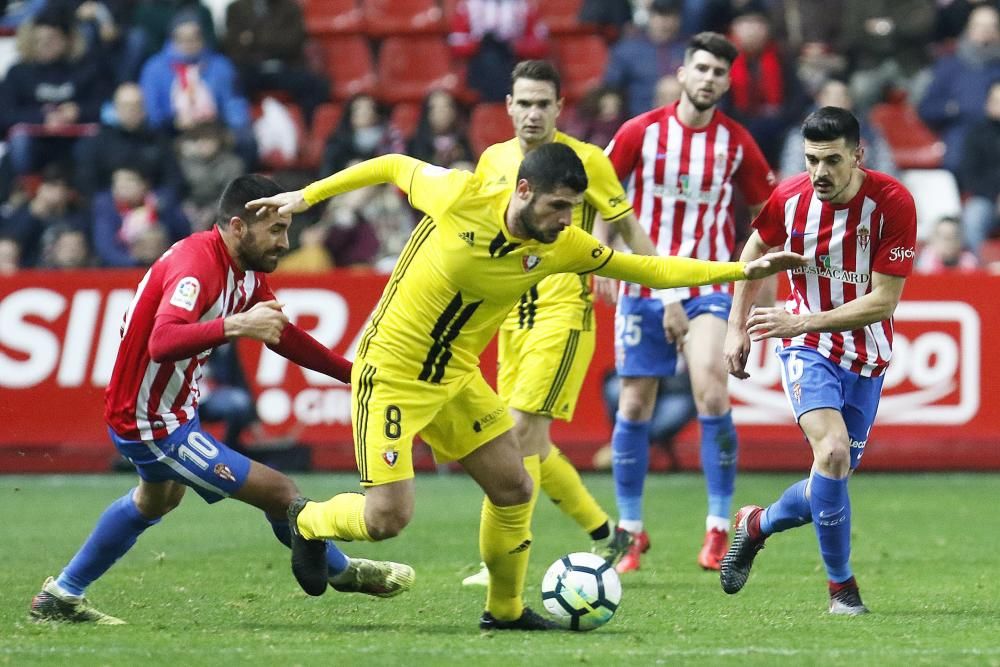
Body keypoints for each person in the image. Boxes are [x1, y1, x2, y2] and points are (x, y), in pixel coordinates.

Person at [246, 143, 803, 631]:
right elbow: (393, 164)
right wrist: (307, 196)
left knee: (514, 489)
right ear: (524, 190)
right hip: (390, 372)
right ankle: (309, 522)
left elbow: (647, 269)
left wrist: (738, 273)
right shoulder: (462, 195)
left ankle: (505, 610)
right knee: (386, 519)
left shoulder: (562, 245)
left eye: (573, 209)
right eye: (558, 206)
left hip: (458, 377)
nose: (566, 219)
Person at [29, 174, 414, 625]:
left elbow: (280, 333)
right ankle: (345, 574)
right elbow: (162, 341)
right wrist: (236, 325)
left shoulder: (244, 268)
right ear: (237, 226)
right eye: (276, 230)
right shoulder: (198, 266)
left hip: (172, 411)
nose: (285, 242)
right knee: (281, 494)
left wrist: (354, 376)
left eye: (286, 230)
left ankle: (62, 594)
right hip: (151, 422)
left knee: (154, 502)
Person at [459, 60, 657, 589]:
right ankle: (611, 535)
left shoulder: (586, 161)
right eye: (523, 103)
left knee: (518, 435)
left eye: (542, 103)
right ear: (508, 106)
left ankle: (503, 561)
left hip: (563, 312)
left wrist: (665, 295)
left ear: (559, 107)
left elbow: (627, 226)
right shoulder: (493, 161)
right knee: (533, 445)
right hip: (507, 318)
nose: (532, 113)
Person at [720, 106, 917, 615]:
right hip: (806, 346)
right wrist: (736, 325)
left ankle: (756, 524)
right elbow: (755, 251)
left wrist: (800, 322)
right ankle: (842, 591)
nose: (820, 173)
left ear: (858, 155)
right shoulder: (790, 199)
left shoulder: (893, 203)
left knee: (831, 477)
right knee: (830, 453)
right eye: (811, 160)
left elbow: (883, 301)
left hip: (866, 353)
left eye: (831, 160)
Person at [606, 31, 777, 574]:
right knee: (634, 404)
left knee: (710, 383)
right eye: (701, 68)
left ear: (728, 83)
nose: (708, 79)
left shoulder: (737, 143)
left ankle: (718, 526)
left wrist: (757, 295)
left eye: (719, 73)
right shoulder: (641, 132)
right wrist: (604, 251)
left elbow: (765, 214)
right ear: (682, 73)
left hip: (706, 284)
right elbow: (598, 191)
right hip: (642, 283)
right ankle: (629, 530)